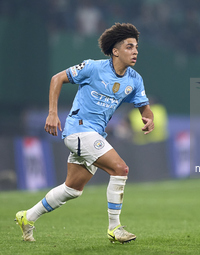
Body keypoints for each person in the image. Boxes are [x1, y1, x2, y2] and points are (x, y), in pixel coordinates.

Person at [15, 23, 154, 244]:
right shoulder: (92, 67)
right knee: (120, 169)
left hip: (95, 135)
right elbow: (56, 78)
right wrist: (52, 113)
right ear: (115, 51)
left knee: (72, 189)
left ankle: (27, 216)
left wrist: (149, 117)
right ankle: (114, 228)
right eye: (129, 47)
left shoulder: (134, 79)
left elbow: (143, 106)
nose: (135, 51)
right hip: (78, 130)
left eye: (136, 47)